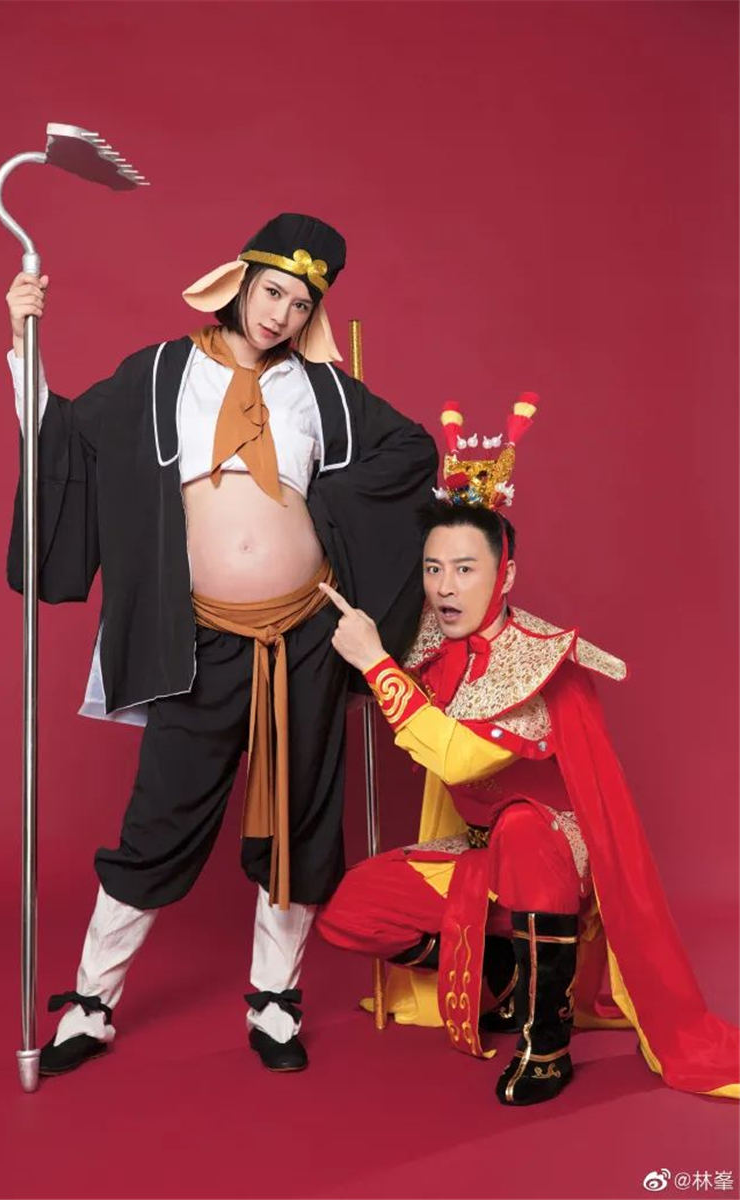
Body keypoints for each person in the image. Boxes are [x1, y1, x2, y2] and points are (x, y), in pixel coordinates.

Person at [5, 212, 437, 1076]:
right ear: (238, 282)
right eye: (271, 292)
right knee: (161, 815)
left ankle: (275, 1001)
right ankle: (92, 1004)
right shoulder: (161, 374)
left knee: (302, 818)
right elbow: (65, 441)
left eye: (300, 303)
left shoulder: (324, 391)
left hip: (307, 635)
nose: (280, 314)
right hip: (200, 638)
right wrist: (24, 341)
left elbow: (412, 452)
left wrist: (332, 519)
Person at [316, 397, 739, 1105]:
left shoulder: (537, 659)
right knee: (350, 909)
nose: (445, 587)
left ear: (505, 575)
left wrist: (376, 664)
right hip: (481, 857)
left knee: (522, 828)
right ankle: (504, 967)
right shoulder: (429, 644)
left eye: (464, 569)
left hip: (555, 859)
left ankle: (547, 1040)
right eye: (433, 569)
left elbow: (458, 760)